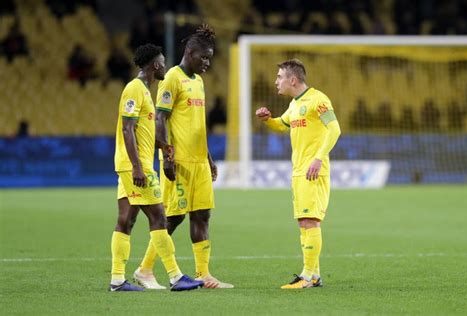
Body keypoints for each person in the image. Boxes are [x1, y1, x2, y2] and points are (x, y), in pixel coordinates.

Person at [132, 25, 234, 289]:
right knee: (173, 217)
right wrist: (166, 154)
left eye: (210, 58)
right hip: (179, 161)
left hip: (199, 160)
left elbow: (197, 123)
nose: (207, 63)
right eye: (204, 57)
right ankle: (144, 269)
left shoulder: (198, 82)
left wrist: (209, 157)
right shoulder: (172, 79)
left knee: (202, 215)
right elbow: (161, 118)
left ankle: (203, 274)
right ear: (190, 52)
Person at [110, 43, 203, 292]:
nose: (165, 65)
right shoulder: (134, 89)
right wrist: (138, 167)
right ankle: (175, 276)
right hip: (135, 168)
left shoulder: (144, 91)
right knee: (159, 216)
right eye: (162, 61)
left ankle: (117, 280)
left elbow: (141, 130)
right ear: (156, 65)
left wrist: (161, 145)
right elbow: (126, 129)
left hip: (131, 165)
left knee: (126, 220)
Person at [255, 59, 341, 289]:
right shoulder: (295, 104)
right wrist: (267, 121)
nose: (276, 81)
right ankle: (314, 275)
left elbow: (335, 129)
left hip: (313, 170)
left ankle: (307, 276)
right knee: (304, 222)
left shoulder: (318, 100)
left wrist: (318, 158)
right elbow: (282, 125)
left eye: (279, 77)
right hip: (299, 171)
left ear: (292, 80)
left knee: (310, 220)